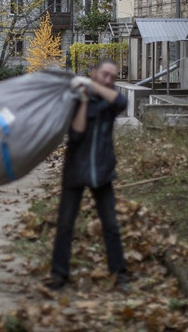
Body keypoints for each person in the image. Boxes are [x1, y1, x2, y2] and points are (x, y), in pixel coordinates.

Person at [46, 59, 130, 292]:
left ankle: (120, 274)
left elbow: (123, 101)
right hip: (75, 171)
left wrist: (94, 86)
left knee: (111, 224)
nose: (108, 80)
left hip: (103, 171)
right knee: (65, 224)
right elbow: (76, 134)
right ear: (93, 72)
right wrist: (83, 99)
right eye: (104, 74)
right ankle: (59, 275)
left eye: (113, 77)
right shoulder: (75, 99)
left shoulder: (110, 100)